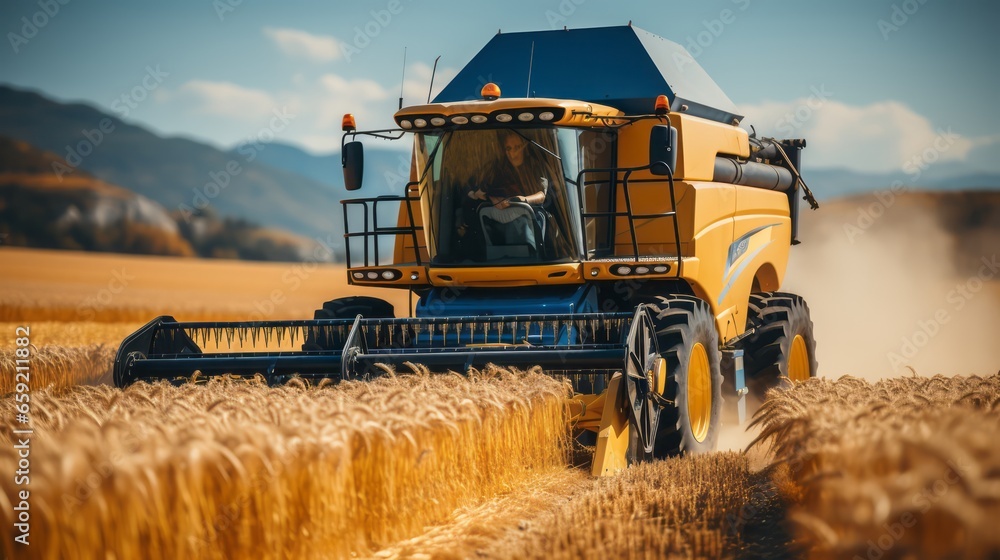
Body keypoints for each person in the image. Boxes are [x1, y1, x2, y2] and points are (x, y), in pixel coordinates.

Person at [467, 131, 549, 251]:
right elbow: (479, 190)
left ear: (525, 147)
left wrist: (523, 200)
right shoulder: (498, 169)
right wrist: (491, 198)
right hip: (498, 225)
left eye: (517, 147)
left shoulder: (534, 167)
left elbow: (542, 195)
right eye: (508, 149)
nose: (512, 153)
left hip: (529, 219)